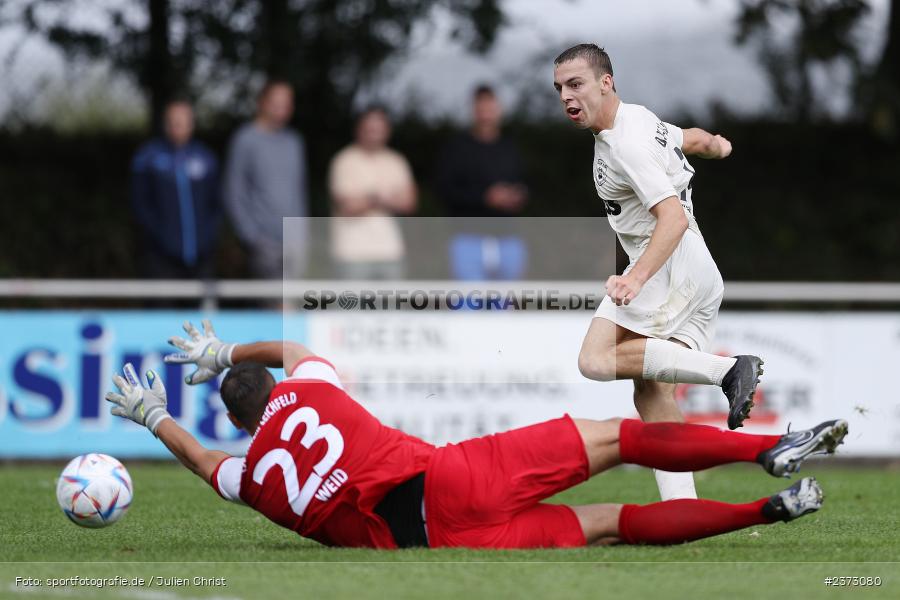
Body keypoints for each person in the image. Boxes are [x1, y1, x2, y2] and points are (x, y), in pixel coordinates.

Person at [104, 320, 848, 549]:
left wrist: (152, 417)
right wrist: (224, 354)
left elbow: (207, 466)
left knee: (611, 524)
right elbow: (295, 352)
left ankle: (763, 513)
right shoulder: (309, 385)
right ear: (274, 393)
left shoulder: (251, 479)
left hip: (441, 543)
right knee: (621, 438)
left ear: (237, 422)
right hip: (456, 476)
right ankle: (763, 452)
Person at [554, 44, 764, 501]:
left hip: (669, 264)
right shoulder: (639, 119)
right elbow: (687, 138)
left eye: (576, 84)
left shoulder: (623, 143)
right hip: (698, 270)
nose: (567, 97)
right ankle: (682, 506)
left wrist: (636, 278)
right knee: (651, 392)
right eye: (560, 89)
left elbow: (673, 218)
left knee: (596, 359)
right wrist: (717, 146)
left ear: (605, 82)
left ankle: (729, 371)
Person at [436, 85, 529, 280]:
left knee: (504, 305)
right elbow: (445, 190)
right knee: (468, 304)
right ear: (473, 110)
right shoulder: (457, 148)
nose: (486, 114)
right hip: (468, 238)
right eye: (481, 108)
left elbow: (525, 183)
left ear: (498, 110)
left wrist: (516, 195)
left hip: (507, 238)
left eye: (490, 108)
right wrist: (485, 197)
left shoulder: (510, 147)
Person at [223, 80, 309, 280]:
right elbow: (233, 191)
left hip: (294, 243)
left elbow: (299, 191)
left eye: (287, 103)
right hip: (263, 243)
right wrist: (250, 236)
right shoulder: (245, 139)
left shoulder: (294, 142)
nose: (282, 108)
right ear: (262, 102)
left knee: (294, 305)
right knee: (272, 307)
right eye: (276, 102)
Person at [130, 100, 221, 279]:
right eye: (173, 121)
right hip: (160, 255)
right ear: (165, 123)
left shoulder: (206, 158)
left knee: (203, 304)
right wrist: (159, 236)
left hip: (202, 255)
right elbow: (140, 203)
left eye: (183, 120)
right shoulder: (148, 158)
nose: (177, 126)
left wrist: (208, 236)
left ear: (192, 123)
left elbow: (216, 204)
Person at [328, 106, 417, 279]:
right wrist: (381, 198)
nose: (374, 132)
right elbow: (348, 207)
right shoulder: (343, 161)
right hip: (351, 254)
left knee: (392, 306)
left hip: (391, 252)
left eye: (379, 128)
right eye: (370, 128)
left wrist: (367, 199)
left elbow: (409, 203)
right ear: (359, 129)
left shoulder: (397, 161)